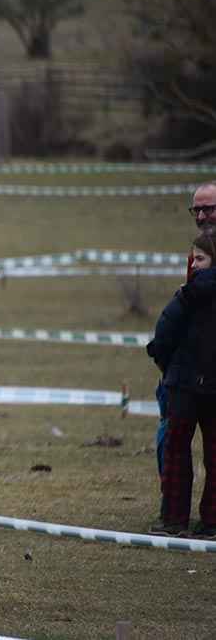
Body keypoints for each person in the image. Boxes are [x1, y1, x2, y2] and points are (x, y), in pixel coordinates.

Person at [147, 232, 216, 539]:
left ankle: (174, 519)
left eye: (200, 259)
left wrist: (166, 366)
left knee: (176, 453)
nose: (195, 265)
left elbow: (164, 334)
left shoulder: (188, 294)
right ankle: (212, 522)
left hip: (184, 385)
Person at [155, 183, 216, 481]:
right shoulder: (198, 252)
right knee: (174, 446)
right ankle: (174, 519)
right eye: (198, 209)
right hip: (185, 370)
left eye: (210, 209)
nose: (203, 215)